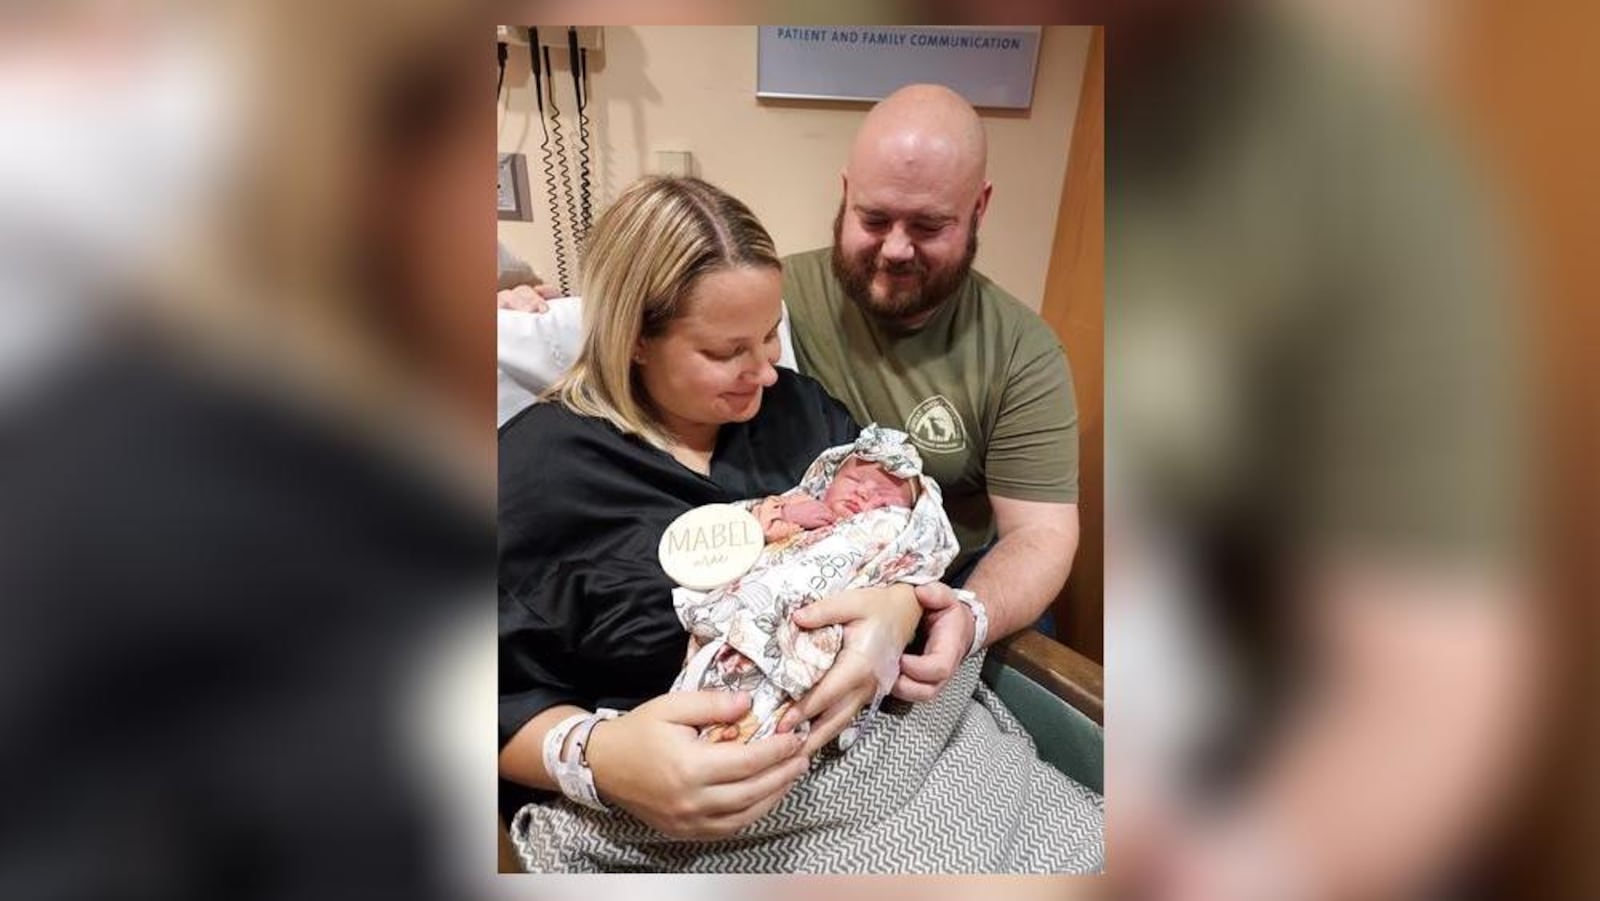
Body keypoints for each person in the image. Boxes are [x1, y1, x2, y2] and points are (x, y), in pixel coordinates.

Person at [499, 174, 1102, 872]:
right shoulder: (532, 479)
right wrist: (594, 757)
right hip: (732, 807)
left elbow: (906, 532)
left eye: (771, 336)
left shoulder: (800, 414)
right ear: (634, 338)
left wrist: (898, 607)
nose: (764, 371)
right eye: (727, 352)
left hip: (908, 739)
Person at [499, 84, 1085, 709]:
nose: (895, 248)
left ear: (979, 209)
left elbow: (1040, 534)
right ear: (845, 195)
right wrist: (518, 298)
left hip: (931, 595)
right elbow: (632, 309)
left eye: (929, 225)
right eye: (874, 218)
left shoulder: (1004, 355)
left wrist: (930, 607)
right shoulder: (756, 291)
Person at [672, 425, 966, 747]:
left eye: (885, 497)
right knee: (700, 687)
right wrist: (782, 514)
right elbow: (737, 531)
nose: (865, 493)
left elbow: (915, 560)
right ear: (825, 480)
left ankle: (740, 741)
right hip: (740, 616)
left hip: (810, 635)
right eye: (853, 480)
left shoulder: (890, 530)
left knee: (773, 714)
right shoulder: (799, 508)